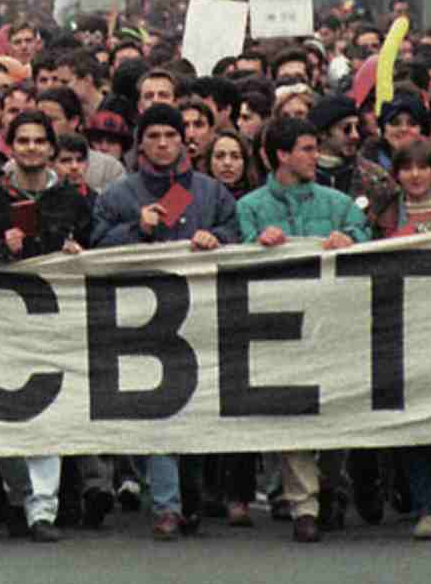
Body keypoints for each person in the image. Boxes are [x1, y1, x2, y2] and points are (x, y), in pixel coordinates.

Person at [93, 103, 241, 539]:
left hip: (201, 318)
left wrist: (219, 239)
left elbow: (237, 233)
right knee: (159, 414)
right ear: (141, 143)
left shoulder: (211, 193)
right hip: (143, 323)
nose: (162, 144)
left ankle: (189, 500)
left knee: (194, 416)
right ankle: (166, 506)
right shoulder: (119, 195)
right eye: (154, 136)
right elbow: (96, 244)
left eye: (170, 136)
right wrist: (134, 229)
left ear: (183, 141)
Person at [0, 110, 95, 540]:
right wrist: (0, 247)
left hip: (57, 324)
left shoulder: (74, 200)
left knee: (48, 417)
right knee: (6, 417)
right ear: (10, 147)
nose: (32, 148)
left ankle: (44, 509)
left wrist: (80, 254)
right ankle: (17, 497)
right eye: (24, 141)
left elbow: (101, 248)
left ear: (52, 149)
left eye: (40, 141)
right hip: (3, 323)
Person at [235, 117, 371, 543]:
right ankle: (304, 504)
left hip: (332, 325)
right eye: (308, 149)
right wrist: (256, 244)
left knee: (337, 409)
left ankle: (331, 482)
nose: (316, 156)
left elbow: (365, 239)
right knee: (292, 411)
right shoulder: (251, 208)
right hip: (278, 327)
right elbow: (233, 259)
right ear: (282, 155)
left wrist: (348, 239)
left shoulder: (338, 204)